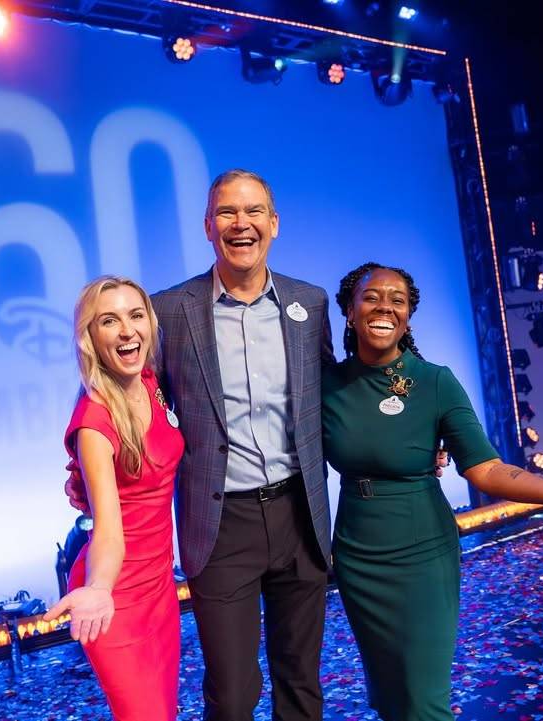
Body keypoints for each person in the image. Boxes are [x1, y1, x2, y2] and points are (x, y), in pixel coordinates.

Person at [322, 262, 543, 721]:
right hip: (358, 557)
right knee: (389, 696)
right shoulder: (327, 386)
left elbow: (486, 469)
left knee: (424, 702)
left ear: (408, 316)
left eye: (397, 300)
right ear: (348, 310)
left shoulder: (435, 382)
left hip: (421, 554)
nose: (384, 307)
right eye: (371, 297)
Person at [148, 169, 334, 721]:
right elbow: (139, 406)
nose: (241, 223)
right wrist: (89, 470)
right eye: (227, 212)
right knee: (231, 696)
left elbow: (335, 399)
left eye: (254, 212)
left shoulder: (311, 303)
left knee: (300, 683)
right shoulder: (168, 311)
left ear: (274, 224)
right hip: (221, 523)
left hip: (301, 513)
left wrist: (417, 440)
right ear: (208, 226)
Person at [44, 276, 184, 721]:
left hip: (159, 584)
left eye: (135, 315)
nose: (127, 330)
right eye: (110, 320)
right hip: (116, 596)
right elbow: (107, 527)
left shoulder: (150, 382)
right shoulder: (94, 419)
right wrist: (100, 588)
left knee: (164, 711)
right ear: (92, 337)